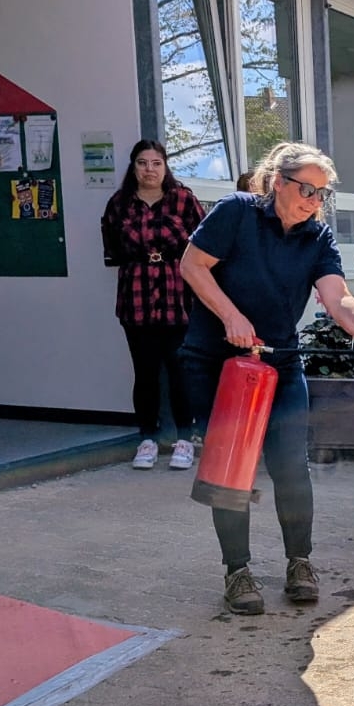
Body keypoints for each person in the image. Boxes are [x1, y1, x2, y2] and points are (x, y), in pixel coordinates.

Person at [179, 141, 354, 615]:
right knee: (232, 468)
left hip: (277, 364)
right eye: (306, 189)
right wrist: (231, 317)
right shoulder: (237, 212)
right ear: (278, 182)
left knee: (292, 466)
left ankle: (300, 562)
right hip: (219, 364)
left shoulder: (316, 238)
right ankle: (237, 571)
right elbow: (192, 265)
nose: (313, 201)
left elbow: (338, 298)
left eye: (322, 193)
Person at [101, 140, 203, 471]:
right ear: (133, 167)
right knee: (144, 373)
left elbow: (204, 244)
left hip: (178, 298)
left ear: (165, 166)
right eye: (143, 163)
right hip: (137, 299)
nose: (149, 170)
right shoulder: (119, 203)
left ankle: (185, 439)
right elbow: (112, 248)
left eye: (156, 163)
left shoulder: (183, 199)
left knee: (179, 372)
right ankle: (147, 438)